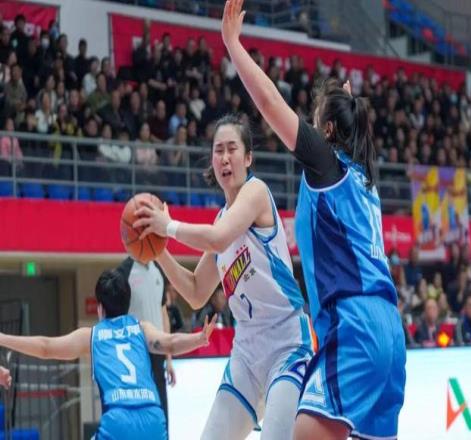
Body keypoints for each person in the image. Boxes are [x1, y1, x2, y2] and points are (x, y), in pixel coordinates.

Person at [218, 1, 405, 439]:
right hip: (390, 332)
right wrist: (340, 102)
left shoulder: (327, 164)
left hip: (353, 325)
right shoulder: (364, 181)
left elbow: (269, 102)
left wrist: (233, 45)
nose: (309, 124)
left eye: (316, 118)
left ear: (327, 132)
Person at [134, 114, 313, 440]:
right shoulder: (221, 218)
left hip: (286, 347)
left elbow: (217, 239)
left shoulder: (256, 192)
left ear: (248, 158)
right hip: (246, 354)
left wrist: (168, 227)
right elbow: (195, 292)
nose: (225, 157)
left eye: (232, 149)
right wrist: (157, 250)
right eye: (218, 150)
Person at [0, 268, 216, 440]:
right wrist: (198, 339)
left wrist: (2, 338)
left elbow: (45, 347)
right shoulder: (142, 329)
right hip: (153, 419)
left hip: (118, 421)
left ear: (100, 308)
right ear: (128, 302)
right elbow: (170, 343)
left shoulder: (92, 336)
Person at [118, 257, 176, 435]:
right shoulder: (124, 272)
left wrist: (169, 359)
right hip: (134, 356)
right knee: (138, 414)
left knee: (161, 413)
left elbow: (163, 313)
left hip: (157, 354)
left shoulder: (158, 269)